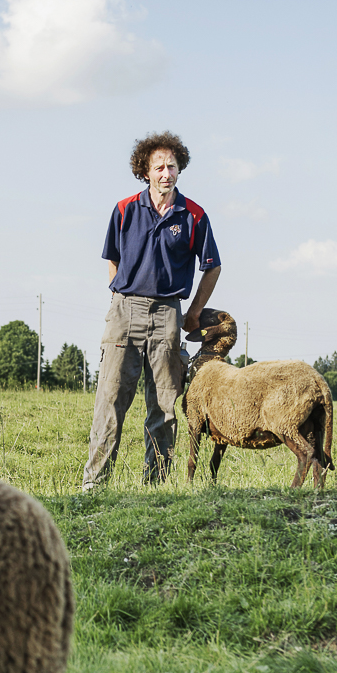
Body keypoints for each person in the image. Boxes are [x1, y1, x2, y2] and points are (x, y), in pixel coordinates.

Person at [82, 131, 221, 488]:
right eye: (158, 166)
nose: (166, 173)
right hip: (124, 313)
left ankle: (156, 488)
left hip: (168, 316)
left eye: (172, 166)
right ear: (145, 170)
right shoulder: (125, 209)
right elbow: (112, 260)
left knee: (163, 406)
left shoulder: (193, 215)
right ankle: (93, 486)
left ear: (180, 169)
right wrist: (121, 299)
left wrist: (192, 312)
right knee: (110, 401)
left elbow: (212, 266)